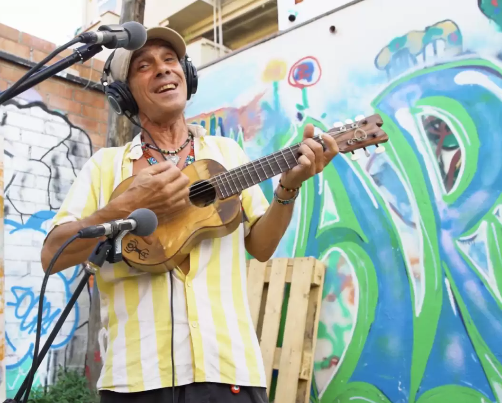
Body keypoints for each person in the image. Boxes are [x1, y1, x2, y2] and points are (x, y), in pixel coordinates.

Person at [40, 26, 339, 403]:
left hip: (229, 372)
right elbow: (52, 254)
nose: (164, 69)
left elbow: (261, 246)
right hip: (137, 380)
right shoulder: (105, 167)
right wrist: (126, 204)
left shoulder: (227, 153)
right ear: (123, 95)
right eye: (145, 66)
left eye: (171, 60)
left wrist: (289, 187)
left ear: (188, 75)